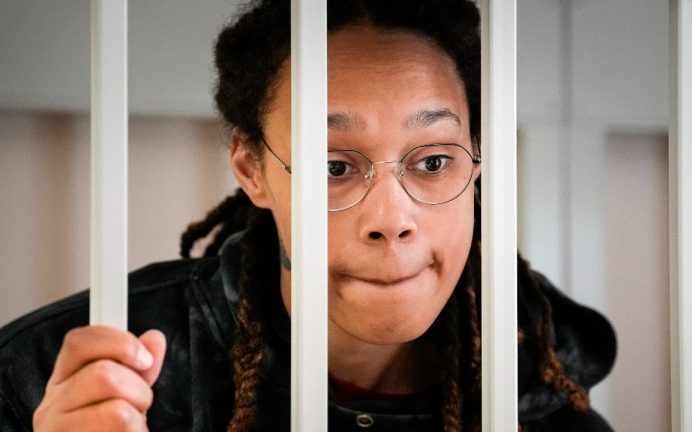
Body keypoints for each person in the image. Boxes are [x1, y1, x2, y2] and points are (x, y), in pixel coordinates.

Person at [0, 0, 616, 431]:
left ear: (478, 157)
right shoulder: (58, 378)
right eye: (334, 167)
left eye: (432, 162)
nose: (392, 219)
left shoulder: (541, 394)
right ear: (250, 168)